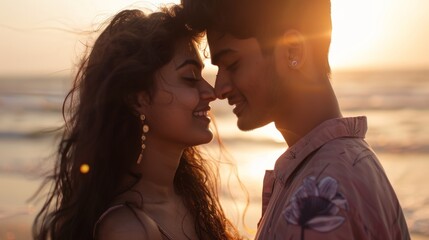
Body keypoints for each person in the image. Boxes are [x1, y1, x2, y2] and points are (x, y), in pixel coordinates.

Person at [181, 0, 411, 239]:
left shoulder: (317, 202)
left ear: (293, 51)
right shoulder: (351, 162)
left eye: (232, 64)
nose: (220, 88)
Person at [32, 6, 243, 240]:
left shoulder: (190, 199)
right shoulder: (127, 230)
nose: (211, 91)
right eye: (190, 78)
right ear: (137, 98)